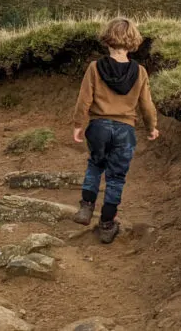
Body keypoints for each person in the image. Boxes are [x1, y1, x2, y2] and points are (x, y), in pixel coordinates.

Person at [71, 18, 159, 244]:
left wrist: (78, 124)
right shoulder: (139, 72)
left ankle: (86, 207)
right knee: (116, 177)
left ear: (108, 40)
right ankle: (107, 223)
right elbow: (146, 105)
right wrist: (152, 127)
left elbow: (84, 100)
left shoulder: (94, 68)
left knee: (95, 164)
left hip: (99, 127)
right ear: (132, 43)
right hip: (125, 130)